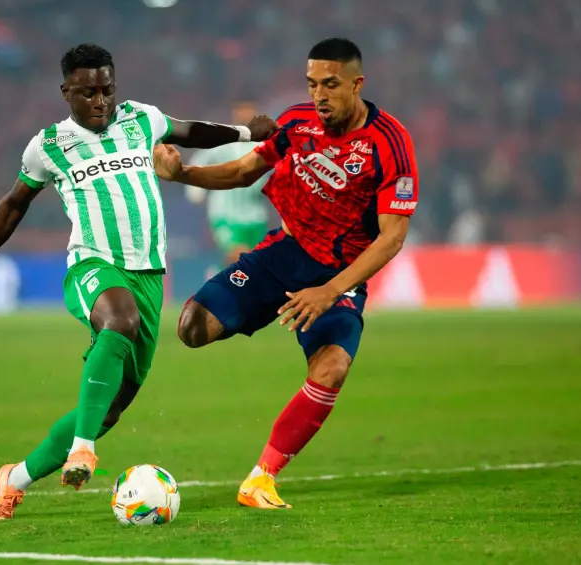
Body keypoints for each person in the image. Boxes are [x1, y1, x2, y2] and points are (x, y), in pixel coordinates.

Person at [0, 43, 279, 521]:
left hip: (149, 275)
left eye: (107, 90)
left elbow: (192, 130)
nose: (100, 101)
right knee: (119, 319)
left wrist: (248, 132)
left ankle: (13, 479)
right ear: (67, 93)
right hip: (93, 265)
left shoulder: (141, 118)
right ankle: (83, 450)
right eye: (88, 93)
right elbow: (14, 204)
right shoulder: (49, 145)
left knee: (112, 408)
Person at [156, 37, 419, 509]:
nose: (320, 95)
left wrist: (331, 290)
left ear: (357, 84)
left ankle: (262, 478)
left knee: (332, 367)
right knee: (191, 328)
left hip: (339, 274)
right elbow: (242, 171)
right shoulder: (298, 122)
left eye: (331, 84)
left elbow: (392, 237)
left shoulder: (390, 143)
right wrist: (183, 175)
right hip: (283, 253)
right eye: (313, 83)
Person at [183, 101, 273, 270]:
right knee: (237, 254)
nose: (246, 114)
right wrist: (195, 189)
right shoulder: (224, 140)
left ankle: (217, 277)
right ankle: (221, 285)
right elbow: (200, 159)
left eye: (250, 110)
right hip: (225, 214)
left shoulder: (264, 145)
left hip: (256, 215)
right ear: (235, 113)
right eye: (242, 110)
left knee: (253, 262)